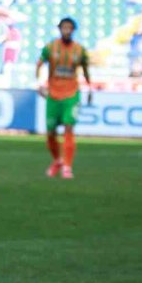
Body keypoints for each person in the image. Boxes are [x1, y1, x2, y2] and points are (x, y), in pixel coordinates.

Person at [36, 17, 92, 179]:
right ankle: (58, 160)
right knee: (51, 132)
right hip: (53, 94)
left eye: (69, 28)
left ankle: (67, 166)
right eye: (64, 28)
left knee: (68, 127)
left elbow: (86, 69)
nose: (67, 31)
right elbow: (39, 64)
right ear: (60, 29)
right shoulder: (50, 48)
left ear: (73, 30)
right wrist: (40, 84)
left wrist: (89, 88)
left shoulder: (80, 50)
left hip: (71, 94)